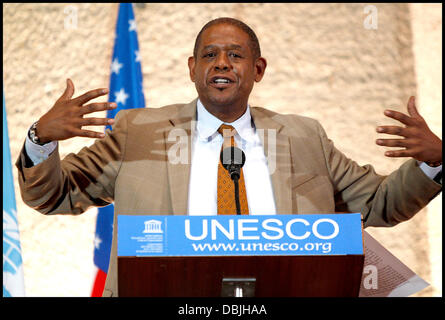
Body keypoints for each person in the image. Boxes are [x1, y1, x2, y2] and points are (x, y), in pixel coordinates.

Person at [16, 17, 442, 297]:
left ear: (258, 69)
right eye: (209, 55)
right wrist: (41, 140)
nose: (221, 64)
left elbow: (378, 203)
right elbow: (55, 196)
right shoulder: (137, 132)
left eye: (235, 55)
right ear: (191, 67)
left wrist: (434, 162)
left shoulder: (303, 136)